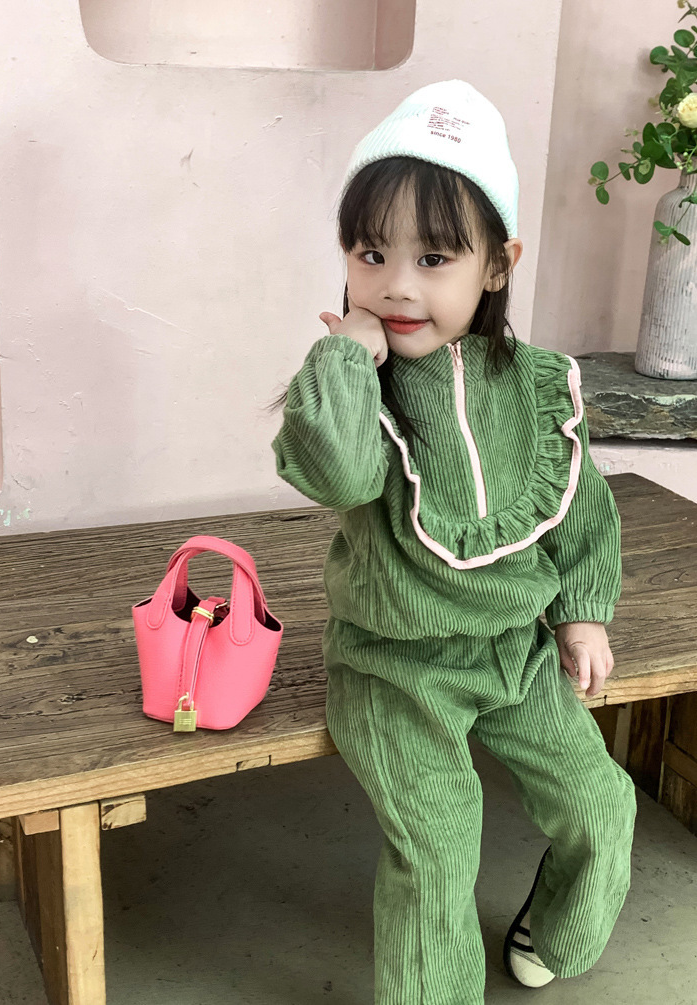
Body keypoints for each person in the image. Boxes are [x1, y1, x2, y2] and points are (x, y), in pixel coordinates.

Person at [267, 79, 637, 1004]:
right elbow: (338, 475)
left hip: (514, 650)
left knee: (601, 800)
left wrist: (582, 614)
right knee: (438, 843)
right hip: (395, 667)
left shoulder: (536, 383)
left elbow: (581, 506)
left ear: (498, 265)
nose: (397, 283)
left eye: (434, 257)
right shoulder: (358, 384)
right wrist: (347, 357)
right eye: (371, 253)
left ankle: (556, 924)